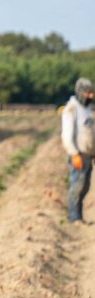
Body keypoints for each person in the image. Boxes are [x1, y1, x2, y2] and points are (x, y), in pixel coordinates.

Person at [62, 77, 95, 223]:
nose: (91, 96)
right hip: (78, 155)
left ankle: (79, 215)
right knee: (77, 185)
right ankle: (74, 217)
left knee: (85, 186)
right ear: (81, 92)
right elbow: (67, 134)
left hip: (89, 154)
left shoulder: (89, 109)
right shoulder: (71, 108)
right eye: (88, 93)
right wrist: (74, 153)